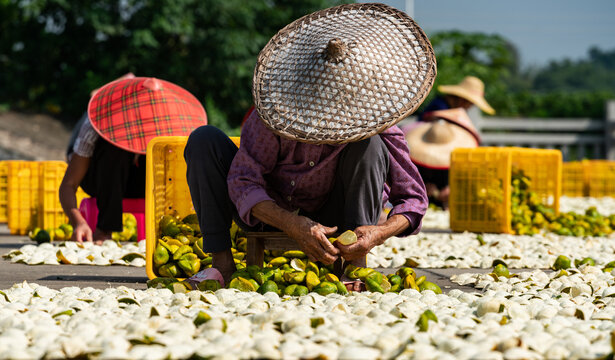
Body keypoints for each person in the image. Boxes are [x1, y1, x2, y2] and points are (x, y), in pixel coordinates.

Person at [183, 3, 436, 284]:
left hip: (336, 215)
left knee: (371, 146)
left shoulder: (379, 125)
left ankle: (354, 267)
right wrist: (292, 223)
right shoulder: (274, 114)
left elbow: (413, 200)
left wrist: (379, 233)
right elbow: (244, 181)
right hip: (271, 208)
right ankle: (222, 263)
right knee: (203, 140)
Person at [60, 77, 208, 243]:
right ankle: (104, 229)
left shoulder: (169, 126)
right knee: (113, 149)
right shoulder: (96, 124)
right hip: (102, 179)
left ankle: (163, 229)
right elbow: (68, 185)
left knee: (170, 152)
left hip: (142, 184)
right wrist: (78, 223)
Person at [405, 108, 481, 209]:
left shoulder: (468, 162)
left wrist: (455, 190)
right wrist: (422, 188)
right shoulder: (415, 162)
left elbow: (474, 188)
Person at [417, 76, 495, 121]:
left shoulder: (445, 105)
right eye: (470, 104)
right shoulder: (439, 106)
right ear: (463, 100)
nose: (469, 107)